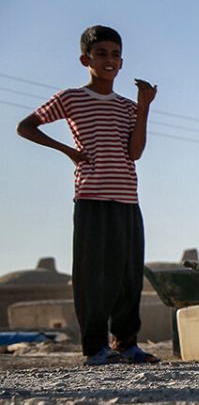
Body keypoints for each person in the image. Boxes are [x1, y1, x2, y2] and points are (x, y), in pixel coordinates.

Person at [16, 25, 159, 366]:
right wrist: (68, 151)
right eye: (101, 54)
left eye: (115, 55)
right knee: (94, 274)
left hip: (127, 198)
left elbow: (135, 152)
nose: (109, 60)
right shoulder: (71, 98)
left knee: (128, 275)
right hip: (91, 196)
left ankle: (126, 344)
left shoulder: (127, 107)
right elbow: (26, 126)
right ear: (86, 60)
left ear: (122, 62)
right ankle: (95, 349)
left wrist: (144, 107)